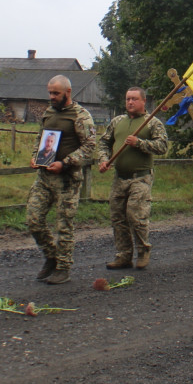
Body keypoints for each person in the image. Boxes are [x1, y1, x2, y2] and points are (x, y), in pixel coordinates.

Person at [25, 75, 96, 285]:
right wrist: (36, 156)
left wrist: (65, 163)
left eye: (56, 93)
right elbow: (41, 137)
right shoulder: (48, 113)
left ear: (67, 92)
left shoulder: (80, 115)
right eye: (50, 93)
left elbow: (89, 146)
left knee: (64, 225)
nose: (52, 97)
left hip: (67, 179)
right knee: (33, 220)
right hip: (44, 176)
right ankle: (51, 256)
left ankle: (63, 268)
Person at [97, 86, 169, 271]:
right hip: (119, 177)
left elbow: (162, 146)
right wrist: (104, 159)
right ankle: (123, 255)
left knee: (136, 216)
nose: (130, 102)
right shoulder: (117, 121)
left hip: (141, 178)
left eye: (134, 99)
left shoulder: (152, 123)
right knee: (118, 217)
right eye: (128, 98)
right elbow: (104, 142)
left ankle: (143, 251)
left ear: (143, 101)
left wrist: (140, 143)